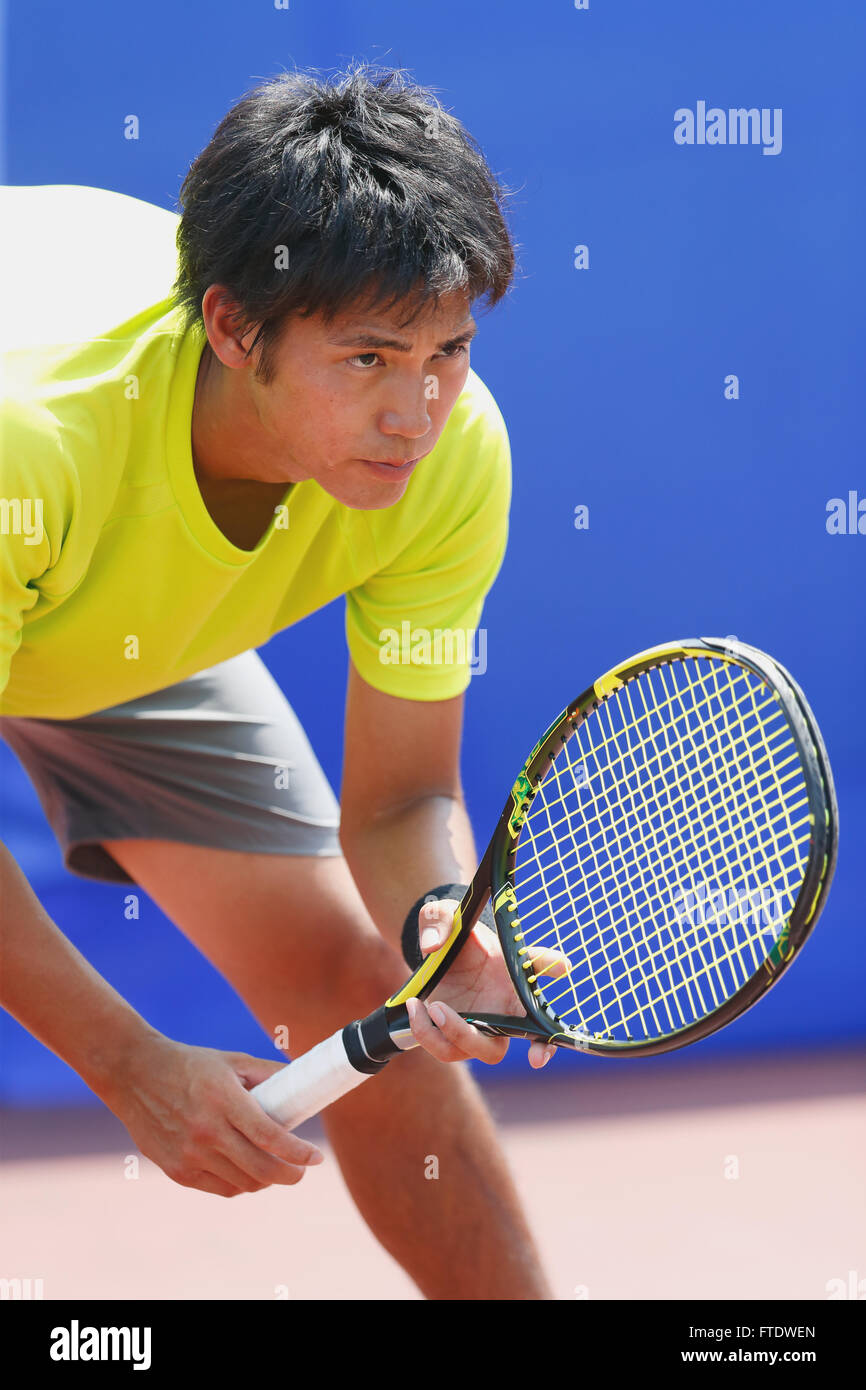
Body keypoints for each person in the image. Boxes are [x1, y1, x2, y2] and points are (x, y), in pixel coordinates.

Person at [0, 64, 554, 1299]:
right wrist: (127, 1059)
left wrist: (438, 921)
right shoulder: (27, 440)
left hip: (105, 620)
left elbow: (403, 806)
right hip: (41, 521)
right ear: (234, 328)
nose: (414, 410)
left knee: (369, 987)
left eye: (446, 351)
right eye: (366, 357)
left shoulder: (452, 457)